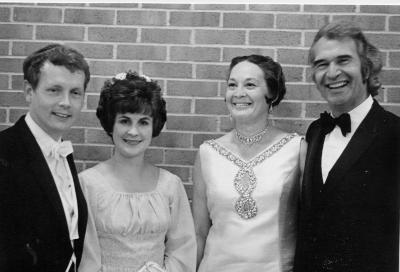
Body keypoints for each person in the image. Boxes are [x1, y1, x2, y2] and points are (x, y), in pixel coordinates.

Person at [294, 21, 400, 272]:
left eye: (343, 60)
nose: (331, 73)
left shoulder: (395, 134)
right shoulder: (316, 131)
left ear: (366, 68)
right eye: (322, 64)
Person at [193, 55, 304, 272]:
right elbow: (199, 232)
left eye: (250, 85)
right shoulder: (207, 154)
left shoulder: (296, 149)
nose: (238, 93)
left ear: (271, 94)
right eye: (232, 85)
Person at [78, 71, 196, 272]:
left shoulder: (170, 185)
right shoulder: (87, 184)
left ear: (154, 126)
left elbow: (183, 249)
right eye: (125, 121)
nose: (133, 132)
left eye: (143, 122)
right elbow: (85, 257)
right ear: (111, 124)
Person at [0, 44, 90, 271]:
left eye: (75, 93)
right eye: (54, 90)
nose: (66, 103)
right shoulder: (5, 150)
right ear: (29, 91)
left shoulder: (63, 153)